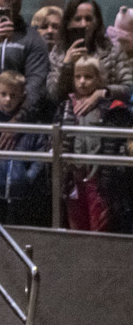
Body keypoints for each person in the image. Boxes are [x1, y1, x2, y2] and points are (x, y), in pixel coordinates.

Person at [0, 71, 50, 228]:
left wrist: (28, 177)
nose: (8, 99)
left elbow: (40, 154)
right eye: (4, 94)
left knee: (21, 232)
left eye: (13, 95)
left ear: (23, 96)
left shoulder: (32, 125)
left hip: (22, 193)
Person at [59, 56, 131, 233]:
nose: (82, 81)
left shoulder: (112, 108)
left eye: (88, 77)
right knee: (76, 228)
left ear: (99, 79)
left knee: (99, 227)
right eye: (78, 76)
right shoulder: (66, 106)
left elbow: (119, 144)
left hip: (100, 182)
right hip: (73, 180)